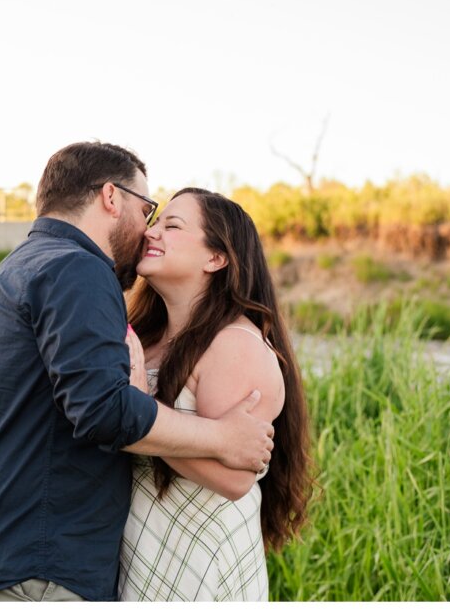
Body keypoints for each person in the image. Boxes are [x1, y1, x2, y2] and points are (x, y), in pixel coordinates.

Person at [0, 143, 276, 602]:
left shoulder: (6, 274)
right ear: (112, 198)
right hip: (41, 565)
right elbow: (106, 411)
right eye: (148, 211)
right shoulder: (78, 268)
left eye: (165, 222)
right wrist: (221, 438)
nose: (148, 229)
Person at [118, 187, 314, 601]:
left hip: (200, 560)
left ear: (216, 258)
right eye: (156, 222)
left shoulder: (234, 344)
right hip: (144, 550)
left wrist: (138, 410)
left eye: (172, 225)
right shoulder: (148, 336)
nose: (152, 232)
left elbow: (234, 478)